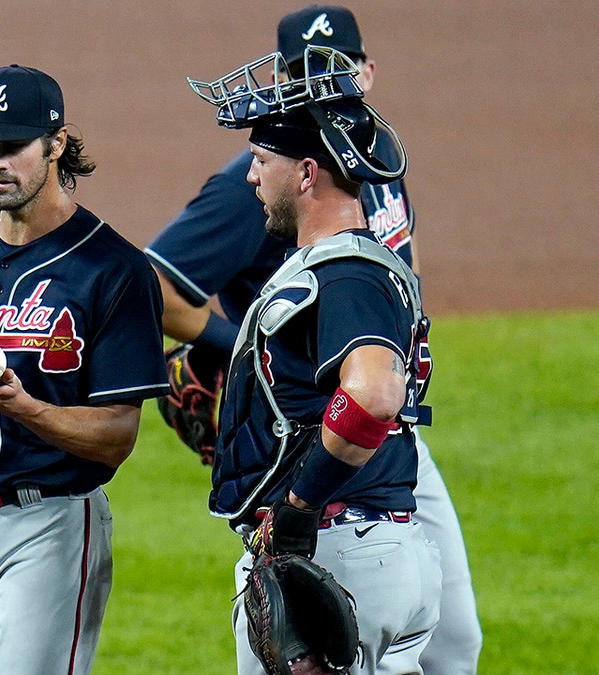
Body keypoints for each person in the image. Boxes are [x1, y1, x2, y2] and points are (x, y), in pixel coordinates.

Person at [146, 6, 482, 672]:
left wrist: (298, 505)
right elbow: (153, 285)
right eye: (303, 72)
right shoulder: (303, 185)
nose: (251, 172)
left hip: (341, 483)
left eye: (263, 160)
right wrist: (248, 350)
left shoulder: (349, 204)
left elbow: (373, 392)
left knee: (453, 640)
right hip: (346, 462)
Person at [0, 64, 169, 674]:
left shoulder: (116, 270)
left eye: (13, 146)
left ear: (56, 144)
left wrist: (24, 408)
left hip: (48, 526)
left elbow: (117, 437)